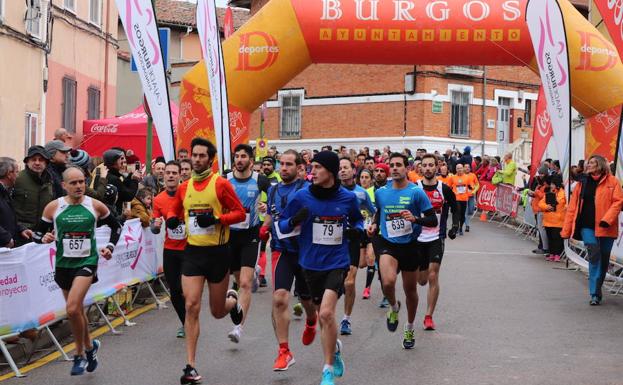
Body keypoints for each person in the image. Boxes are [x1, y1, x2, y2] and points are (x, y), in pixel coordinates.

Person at [278, 151, 363, 385]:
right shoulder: (301, 197)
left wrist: (358, 230)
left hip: (337, 262)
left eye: (317, 167)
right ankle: (334, 348)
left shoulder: (347, 198)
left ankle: (326, 369)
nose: (312, 172)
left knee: (326, 313)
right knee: (321, 315)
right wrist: (294, 221)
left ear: (331, 171)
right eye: (311, 167)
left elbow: (358, 220)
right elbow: (282, 225)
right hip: (310, 263)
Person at [165, 138, 245, 384]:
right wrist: (170, 218)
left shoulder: (221, 184)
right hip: (193, 253)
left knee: (218, 311)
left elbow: (240, 213)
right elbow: (174, 209)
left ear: (210, 159)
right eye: (194, 155)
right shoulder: (184, 187)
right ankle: (190, 365)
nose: (197, 159)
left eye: (202, 156)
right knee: (191, 306)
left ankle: (233, 303)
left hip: (218, 253)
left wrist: (217, 219)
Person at [33, 167, 122, 376]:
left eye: (81, 181)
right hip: (63, 265)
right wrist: (42, 238)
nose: (79, 186)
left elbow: (116, 226)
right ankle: (91, 348)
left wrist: (110, 247)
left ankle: (79, 354)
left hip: (87, 262)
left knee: (72, 309)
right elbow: (37, 233)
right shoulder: (54, 207)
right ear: (64, 185)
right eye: (73, 183)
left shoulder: (95, 205)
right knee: (77, 311)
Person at [367, 153, 437, 349]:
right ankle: (393, 306)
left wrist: (415, 219)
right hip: (388, 242)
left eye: (399, 165)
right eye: (392, 165)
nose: (395, 168)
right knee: (388, 282)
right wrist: (373, 225)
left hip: (410, 245)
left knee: (410, 291)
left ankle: (409, 327)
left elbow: (432, 220)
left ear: (407, 168)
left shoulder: (416, 192)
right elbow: (379, 212)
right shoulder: (381, 192)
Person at [259, 149, 317, 371]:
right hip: (281, 250)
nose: (283, 168)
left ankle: (312, 320)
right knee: (280, 298)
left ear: (299, 167)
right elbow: (272, 214)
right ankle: (284, 351)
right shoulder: (273, 191)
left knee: (307, 300)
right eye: (281, 164)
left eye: (288, 164)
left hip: (305, 252)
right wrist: (264, 227)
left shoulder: (307, 189)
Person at [561, 155, 623, 305]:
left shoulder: (613, 182)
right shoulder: (582, 183)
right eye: (588, 163)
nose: (588, 165)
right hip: (586, 226)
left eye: (592, 163)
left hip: (606, 227)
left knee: (603, 260)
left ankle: (597, 286)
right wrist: (566, 230)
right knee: (594, 253)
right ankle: (594, 293)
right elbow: (572, 208)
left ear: (601, 165)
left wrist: (607, 220)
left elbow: (618, 202)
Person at [225, 144, 270, 343]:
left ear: (251, 161)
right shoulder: (225, 178)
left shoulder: (260, 180)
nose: (240, 159)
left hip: (250, 235)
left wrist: (266, 205)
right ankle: (255, 271)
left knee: (244, 283)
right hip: (230, 235)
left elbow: (276, 201)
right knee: (237, 278)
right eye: (237, 156)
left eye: (244, 156)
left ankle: (238, 327)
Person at [416, 154, 459, 331]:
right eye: (424, 165)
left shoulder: (444, 188)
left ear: (436, 167)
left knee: (433, 275)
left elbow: (456, 208)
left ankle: (428, 316)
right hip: (417, 238)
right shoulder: (415, 188)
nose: (427, 168)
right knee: (421, 280)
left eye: (431, 165)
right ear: (421, 169)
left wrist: (455, 226)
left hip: (436, 237)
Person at [338, 158, 375, 335]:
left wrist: (371, 226)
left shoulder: (361, 193)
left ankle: (346, 319)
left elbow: (374, 212)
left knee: (350, 282)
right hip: (333, 241)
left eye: (346, 168)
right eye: (339, 168)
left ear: (354, 171)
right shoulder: (332, 191)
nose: (342, 171)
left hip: (353, 239)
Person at [152, 161, 187, 338]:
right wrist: (156, 225)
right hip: (171, 249)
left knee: (185, 289)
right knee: (174, 291)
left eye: (174, 172)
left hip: (190, 248)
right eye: (168, 173)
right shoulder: (158, 199)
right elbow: (154, 226)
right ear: (163, 175)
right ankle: (185, 322)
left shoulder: (188, 194)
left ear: (180, 175)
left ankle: (190, 320)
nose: (171, 175)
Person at [13, 146, 55, 234]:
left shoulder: (50, 181)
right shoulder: (17, 178)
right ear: (27, 162)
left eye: (41, 160)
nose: (37, 163)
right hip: (21, 233)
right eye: (33, 159)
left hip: (42, 234)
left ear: (46, 163)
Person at [0, 157, 33, 247]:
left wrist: (21, 229)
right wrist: (6, 238)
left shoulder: (5, 192)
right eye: (17, 172)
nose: (18, 176)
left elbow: (9, 218)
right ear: (9, 174)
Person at [103, 149, 141, 213]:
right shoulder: (113, 178)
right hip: (114, 214)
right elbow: (128, 196)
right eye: (121, 158)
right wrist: (134, 180)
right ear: (113, 162)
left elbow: (122, 187)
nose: (124, 160)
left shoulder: (111, 175)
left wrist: (130, 177)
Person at [538, 175, 566, 262]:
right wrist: (547, 207)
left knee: (557, 238)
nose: (551, 186)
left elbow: (562, 203)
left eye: (553, 184)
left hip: (558, 221)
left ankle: (557, 254)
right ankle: (551, 254)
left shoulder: (563, 193)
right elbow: (541, 203)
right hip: (548, 220)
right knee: (550, 238)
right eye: (551, 184)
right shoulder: (549, 193)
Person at [448, 164, 474, 235]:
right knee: (457, 213)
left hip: (464, 198)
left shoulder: (467, 177)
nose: (459, 170)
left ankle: (460, 228)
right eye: (458, 168)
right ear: (456, 169)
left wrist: (471, 188)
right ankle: (456, 227)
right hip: (456, 198)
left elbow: (471, 186)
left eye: (460, 168)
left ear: (463, 169)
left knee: (462, 215)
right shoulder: (452, 178)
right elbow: (449, 187)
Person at [463, 164, 479, 232]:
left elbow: (477, 184)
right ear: (463, 168)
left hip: (471, 196)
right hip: (464, 196)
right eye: (465, 167)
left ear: (470, 168)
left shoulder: (473, 175)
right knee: (466, 211)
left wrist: (474, 191)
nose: (467, 168)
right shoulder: (461, 175)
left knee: (471, 210)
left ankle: (465, 222)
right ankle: (467, 225)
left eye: (468, 167)